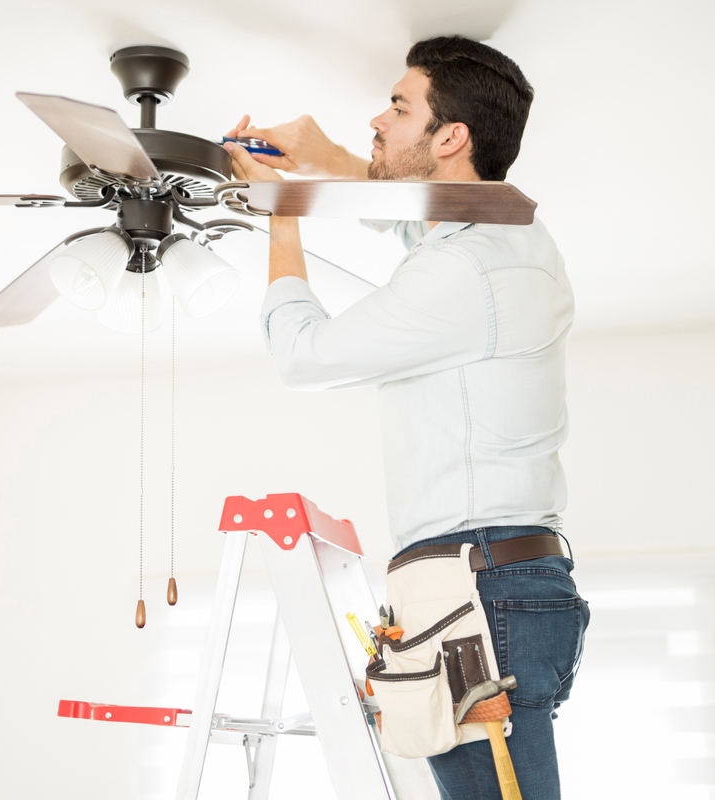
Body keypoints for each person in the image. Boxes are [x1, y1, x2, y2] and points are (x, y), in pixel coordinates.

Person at [223, 36, 589, 800]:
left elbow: (306, 355)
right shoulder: (499, 239)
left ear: (451, 137)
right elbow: (408, 208)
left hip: (474, 589)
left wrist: (281, 217)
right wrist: (322, 155)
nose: (378, 120)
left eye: (398, 106)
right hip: (492, 581)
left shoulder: (464, 268)